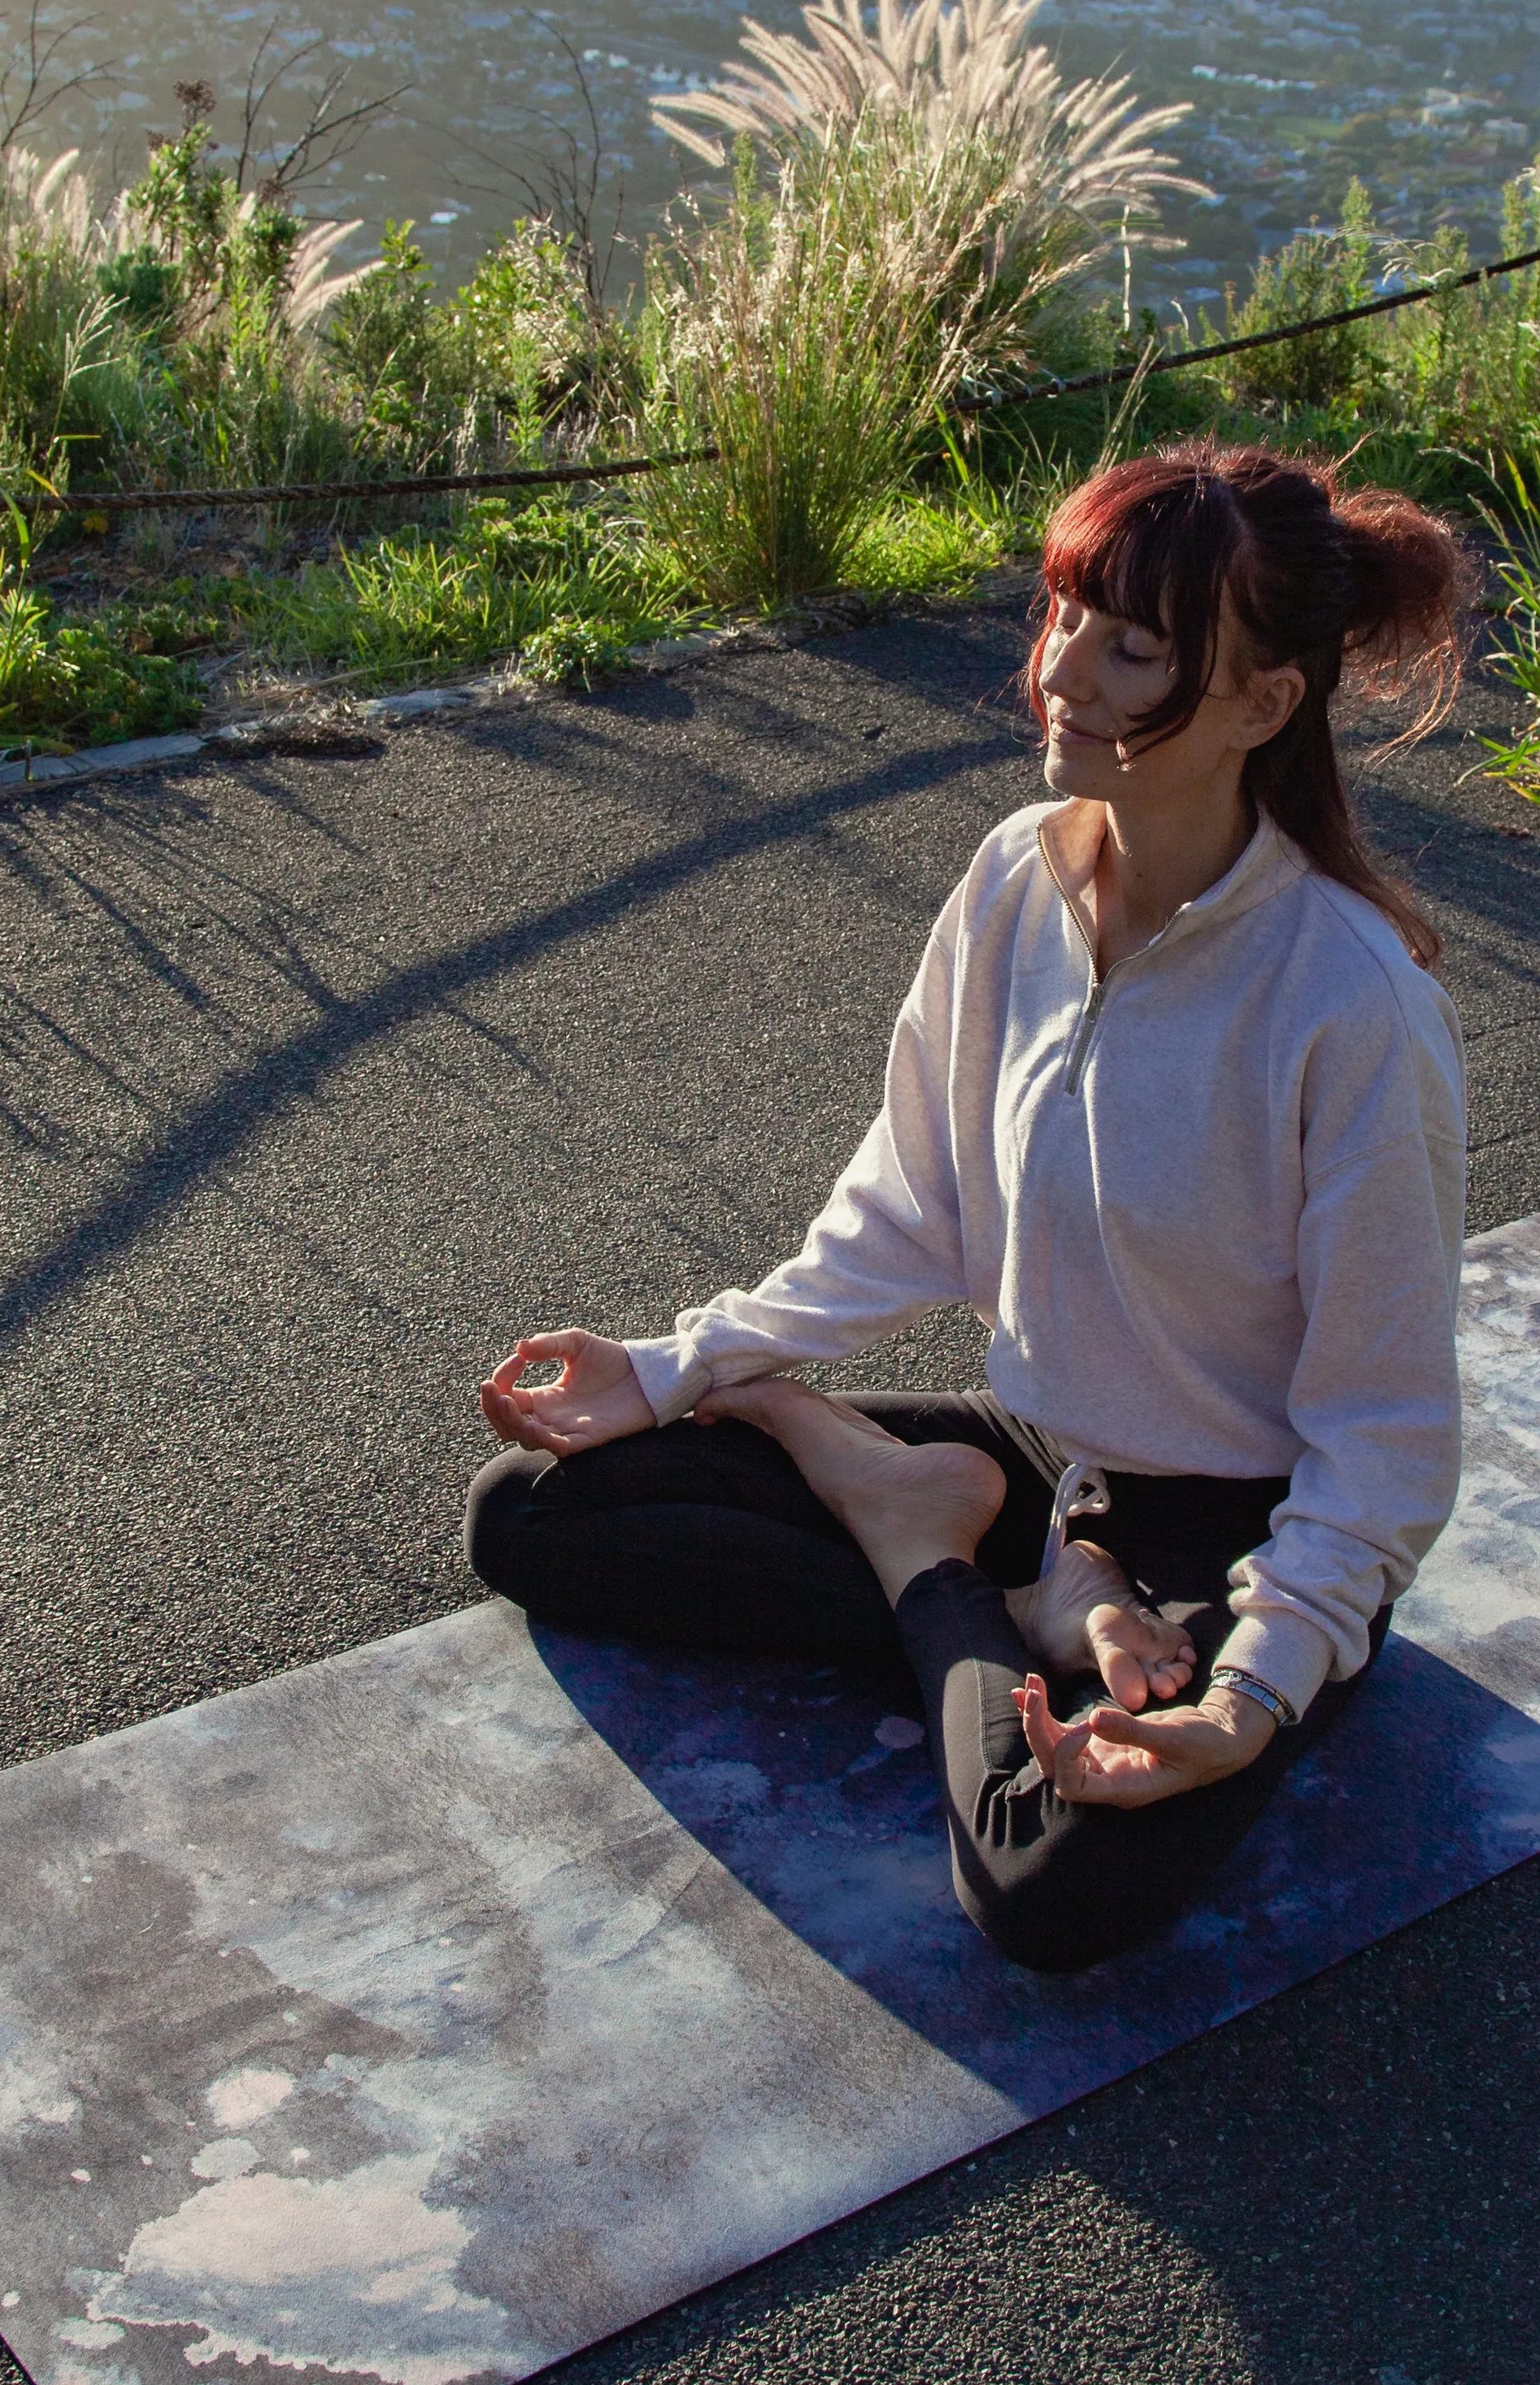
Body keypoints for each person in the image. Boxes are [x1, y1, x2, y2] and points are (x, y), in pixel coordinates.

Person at [465, 437, 1476, 1974]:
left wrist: (1256, 1689)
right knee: (543, 1512)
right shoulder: (1017, 877)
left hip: (1252, 1538)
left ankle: (938, 1556)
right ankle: (991, 1554)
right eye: (1066, 612)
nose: (1064, 669)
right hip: (1055, 1461)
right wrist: (686, 1368)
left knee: (1049, 1885)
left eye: (1134, 646)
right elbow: (913, 1205)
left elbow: (1385, 1438)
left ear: (1265, 705)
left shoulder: (1351, 1007)